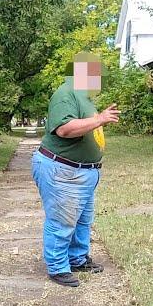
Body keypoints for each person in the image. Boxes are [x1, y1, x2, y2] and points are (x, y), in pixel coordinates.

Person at [32, 51, 120, 287]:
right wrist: (100, 119)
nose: (99, 79)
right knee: (62, 220)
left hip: (83, 172)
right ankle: (58, 267)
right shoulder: (66, 93)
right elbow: (65, 129)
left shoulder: (83, 95)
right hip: (63, 170)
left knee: (81, 220)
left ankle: (77, 258)